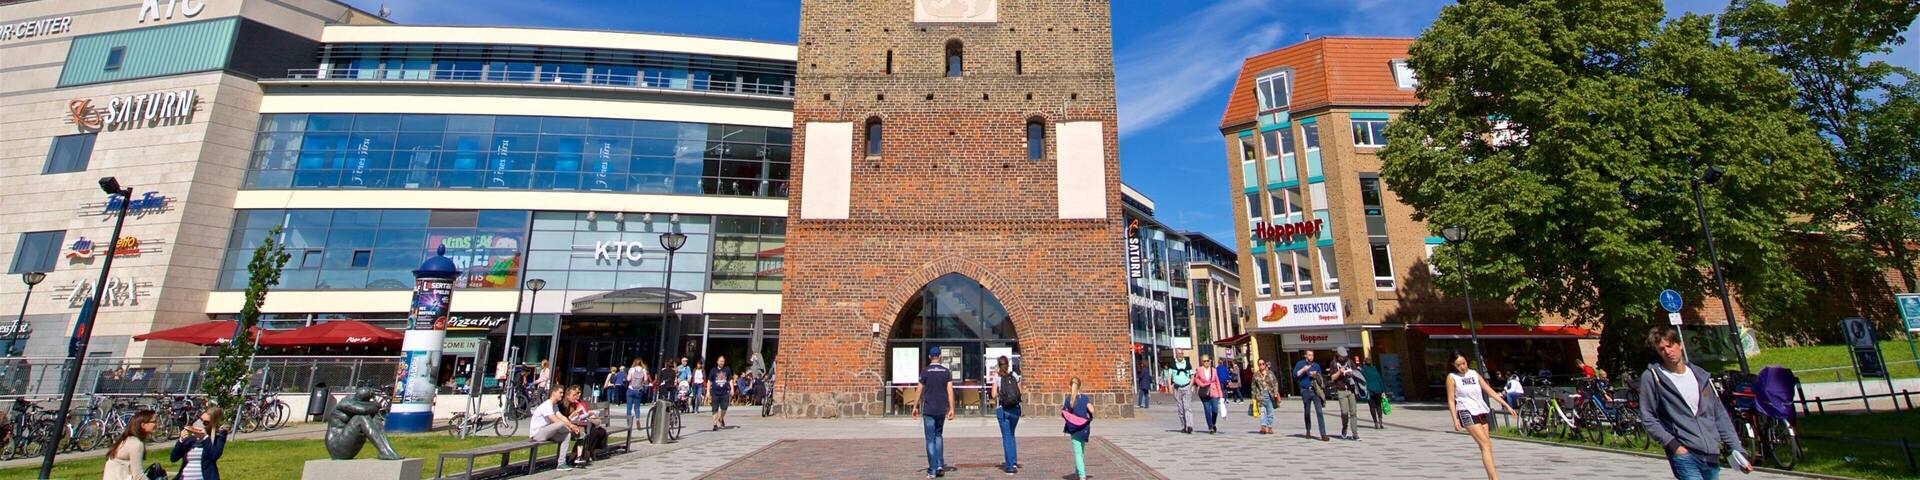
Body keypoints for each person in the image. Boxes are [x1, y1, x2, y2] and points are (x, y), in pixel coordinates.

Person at [1639, 326, 1752, 480]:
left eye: (1670, 345)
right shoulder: (1653, 377)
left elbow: (1719, 415)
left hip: (1711, 453)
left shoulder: (1701, 376)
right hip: (1685, 454)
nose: (1667, 351)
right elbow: (1648, 416)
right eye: (1661, 349)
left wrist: (1737, 449)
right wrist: (1674, 446)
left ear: (1680, 344)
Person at [1448, 354, 1516, 480]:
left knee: (1487, 446)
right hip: (1466, 411)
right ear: (1453, 365)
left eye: (1464, 363)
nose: (1462, 367)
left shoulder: (1474, 374)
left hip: (1480, 410)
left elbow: (1489, 391)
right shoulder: (1452, 377)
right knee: (1485, 445)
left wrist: (1506, 405)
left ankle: (1491, 477)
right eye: (1458, 365)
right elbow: (1451, 399)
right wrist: (1455, 419)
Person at [914, 350, 955, 479]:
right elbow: (950, 391)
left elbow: (919, 389)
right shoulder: (945, 372)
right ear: (940, 357)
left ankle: (932, 470)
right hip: (941, 409)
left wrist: (915, 406)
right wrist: (952, 408)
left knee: (930, 439)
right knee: (938, 436)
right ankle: (939, 465)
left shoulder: (925, 371)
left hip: (929, 409)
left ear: (930, 356)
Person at [529, 386, 584, 471]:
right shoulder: (547, 405)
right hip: (537, 434)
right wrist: (571, 427)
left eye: (562, 393)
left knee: (566, 435)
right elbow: (554, 420)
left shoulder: (554, 405)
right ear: (554, 393)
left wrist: (572, 426)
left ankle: (561, 464)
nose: (562, 395)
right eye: (560, 392)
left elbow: (561, 417)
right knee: (562, 425)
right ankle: (573, 433)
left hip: (548, 433)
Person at [172, 405, 227, 480]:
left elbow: (214, 456)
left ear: (213, 424)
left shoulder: (218, 437)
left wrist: (204, 438)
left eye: (206, 422)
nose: (201, 423)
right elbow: (173, 458)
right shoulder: (190, 437)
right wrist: (181, 440)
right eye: (200, 419)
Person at [990, 355, 1023, 475]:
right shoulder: (1014, 375)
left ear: (999, 365)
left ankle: (1010, 466)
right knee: (1012, 435)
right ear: (1008, 365)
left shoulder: (997, 377)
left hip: (1003, 409)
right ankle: (1013, 461)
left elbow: (993, 395)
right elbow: (1020, 392)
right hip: (1015, 409)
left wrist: (1000, 392)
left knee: (1007, 436)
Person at [103, 410, 156, 480]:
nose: (156, 424)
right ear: (143, 425)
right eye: (154, 422)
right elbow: (138, 476)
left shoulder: (128, 439)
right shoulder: (136, 444)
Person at [566, 385, 606, 468]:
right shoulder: (572, 404)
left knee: (601, 431)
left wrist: (592, 416)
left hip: (586, 423)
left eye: (579, 392)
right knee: (590, 433)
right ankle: (580, 456)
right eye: (576, 393)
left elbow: (585, 413)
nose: (578, 394)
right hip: (578, 424)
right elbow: (572, 417)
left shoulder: (582, 402)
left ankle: (589, 453)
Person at [1060, 377, 1092, 480]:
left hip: (1074, 429)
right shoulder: (1084, 398)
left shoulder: (1069, 399)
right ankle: (1077, 473)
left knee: (1078, 453)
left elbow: (1064, 413)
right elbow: (1092, 410)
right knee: (1081, 452)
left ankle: (1082, 475)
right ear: (1080, 386)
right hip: (1084, 428)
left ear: (1070, 386)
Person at [1293, 351, 1328, 441]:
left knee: (1319, 412)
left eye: (1312, 355)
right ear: (1305, 355)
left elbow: (1321, 378)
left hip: (1315, 391)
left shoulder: (1316, 365)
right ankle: (1308, 430)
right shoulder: (1300, 364)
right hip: (1305, 390)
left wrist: (1316, 375)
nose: (1311, 357)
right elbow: (1295, 375)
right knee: (1307, 412)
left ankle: (1323, 433)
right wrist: (1303, 370)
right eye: (1309, 355)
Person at [1330, 350, 1363, 440]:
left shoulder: (1350, 362)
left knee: (1353, 412)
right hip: (1341, 390)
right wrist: (1340, 372)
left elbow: (1356, 373)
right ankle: (1344, 429)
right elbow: (1332, 378)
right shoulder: (1333, 364)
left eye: (1345, 357)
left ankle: (1355, 434)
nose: (1343, 358)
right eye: (1341, 357)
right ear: (1338, 356)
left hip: (1351, 389)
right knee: (1344, 412)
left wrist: (1351, 373)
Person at [1193, 355, 1222, 434]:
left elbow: (1217, 382)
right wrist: (1201, 384)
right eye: (1204, 361)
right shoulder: (1199, 370)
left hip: (1214, 391)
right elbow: (1196, 379)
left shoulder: (1214, 370)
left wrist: (1221, 395)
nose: (1206, 362)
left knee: (1215, 409)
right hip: (1204, 392)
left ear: (1210, 361)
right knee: (1207, 410)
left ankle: (1213, 423)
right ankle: (1210, 427)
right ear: (1201, 362)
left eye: (1207, 361)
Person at [1168, 354, 1195, 434]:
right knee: (1180, 408)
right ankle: (1184, 426)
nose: (1180, 355)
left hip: (1186, 387)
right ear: (1176, 355)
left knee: (1187, 407)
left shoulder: (1187, 363)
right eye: (1178, 354)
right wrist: (1169, 386)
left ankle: (1189, 426)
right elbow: (1169, 376)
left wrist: (1190, 385)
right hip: (1177, 387)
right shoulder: (1173, 364)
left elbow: (1192, 375)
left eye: (1181, 354)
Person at [1252, 359, 1280, 434]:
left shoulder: (1270, 373)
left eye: (1262, 364)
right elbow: (1253, 386)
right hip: (1260, 396)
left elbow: (1275, 383)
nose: (1261, 365)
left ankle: (1270, 427)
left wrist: (1276, 392)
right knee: (1263, 412)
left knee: (1270, 412)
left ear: (1265, 365)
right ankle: (1263, 427)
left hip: (1270, 395)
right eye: (1259, 364)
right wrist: (1254, 397)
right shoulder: (1256, 375)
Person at [1361, 357, 1386, 430]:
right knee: (1378, 406)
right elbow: (1380, 379)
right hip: (1378, 390)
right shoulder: (1374, 369)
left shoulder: (1363, 370)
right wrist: (1383, 390)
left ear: (1364, 362)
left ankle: (1375, 422)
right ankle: (1380, 421)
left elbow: (1362, 381)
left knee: (1372, 407)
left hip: (1369, 390)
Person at [710, 356, 732, 430]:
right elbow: (709, 381)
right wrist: (707, 392)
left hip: (724, 393)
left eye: (723, 361)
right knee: (714, 409)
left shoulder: (727, 369)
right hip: (715, 393)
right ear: (717, 361)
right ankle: (715, 424)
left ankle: (721, 418)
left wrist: (732, 389)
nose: (721, 363)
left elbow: (730, 380)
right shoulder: (713, 370)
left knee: (724, 408)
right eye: (720, 361)